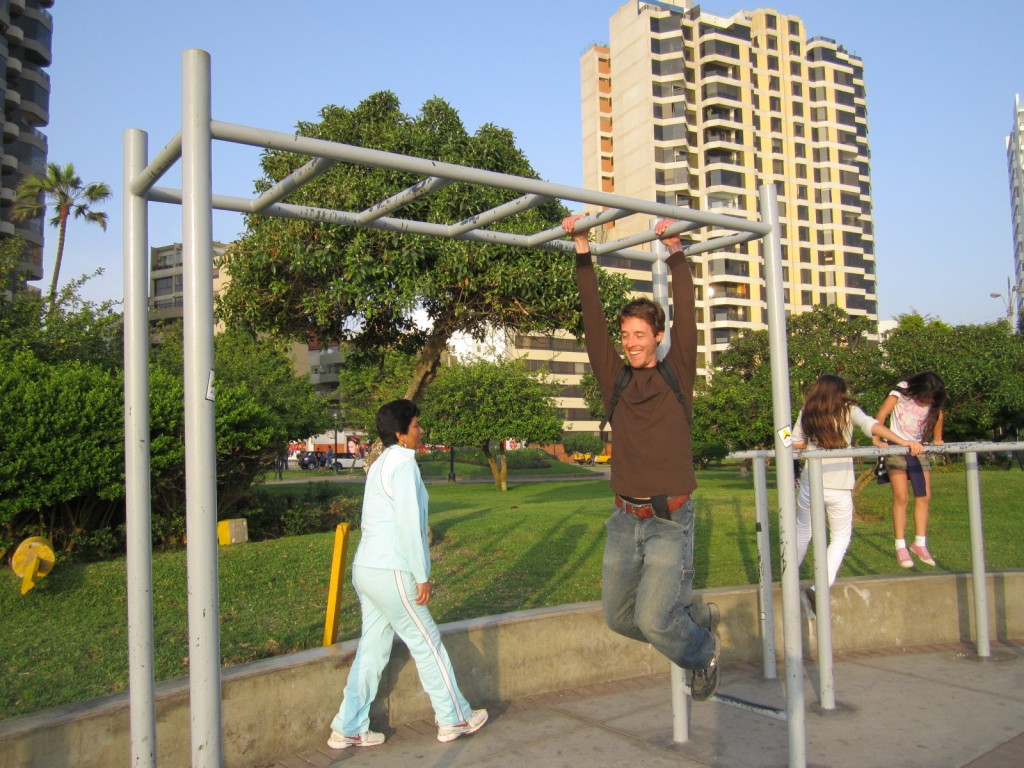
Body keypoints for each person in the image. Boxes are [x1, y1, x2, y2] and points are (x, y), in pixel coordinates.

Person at [561, 214, 720, 701]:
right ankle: (689, 625)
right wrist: (583, 248)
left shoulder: (678, 376)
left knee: (653, 620)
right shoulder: (616, 380)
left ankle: (703, 650)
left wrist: (674, 251)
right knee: (619, 618)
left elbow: (688, 311)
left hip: (670, 517)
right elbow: (591, 321)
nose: (629, 342)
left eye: (638, 334)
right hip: (623, 518)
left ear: (657, 335)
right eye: (625, 334)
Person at [327, 399, 487, 749]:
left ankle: (348, 726)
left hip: (367, 570)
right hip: (392, 571)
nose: (421, 430)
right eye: (416, 425)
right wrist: (422, 574)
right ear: (401, 434)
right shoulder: (403, 465)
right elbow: (409, 526)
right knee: (428, 644)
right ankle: (454, 717)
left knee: (371, 650)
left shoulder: (381, 463)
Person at [792, 375, 923, 612]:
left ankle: (789, 579)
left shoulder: (807, 410)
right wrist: (902, 441)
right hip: (839, 484)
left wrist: (808, 444)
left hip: (812, 481)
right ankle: (819, 588)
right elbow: (872, 425)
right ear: (840, 392)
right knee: (840, 537)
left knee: (803, 530)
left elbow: (792, 442)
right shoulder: (848, 409)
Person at [873, 372, 946, 569]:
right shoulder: (901, 390)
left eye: (930, 399)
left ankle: (919, 543)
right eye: (924, 398)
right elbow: (882, 414)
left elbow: (938, 414)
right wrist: (877, 437)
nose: (926, 402)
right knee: (901, 496)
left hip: (918, 449)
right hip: (897, 447)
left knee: (924, 496)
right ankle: (900, 545)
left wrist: (937, 438)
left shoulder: (934, 402)